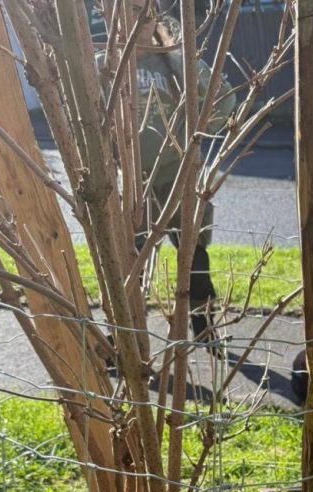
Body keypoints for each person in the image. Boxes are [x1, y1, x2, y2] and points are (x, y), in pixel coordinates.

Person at [111, 1, 235, 345]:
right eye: (132, 14)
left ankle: (205, 330)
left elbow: (223, 98)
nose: (140, 22)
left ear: (155, 20)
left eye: (146, 15)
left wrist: (196, 135)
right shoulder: (107, 66)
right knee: (130, 262)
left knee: (193, 254)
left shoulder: (176, 62)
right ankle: (127, 337)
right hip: (135, 184)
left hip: (177, 177)